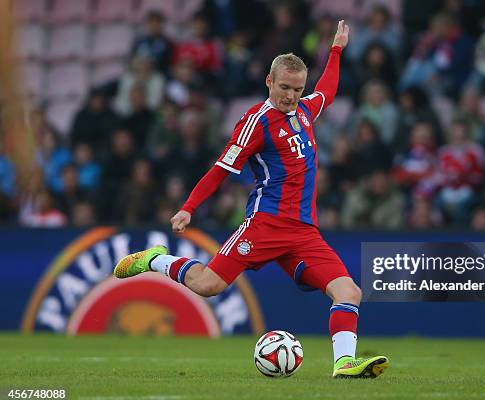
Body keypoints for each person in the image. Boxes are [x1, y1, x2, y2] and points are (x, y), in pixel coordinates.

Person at [113, 21, 388, 379]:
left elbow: (328, 91)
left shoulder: (304, 111)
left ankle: (344, 363)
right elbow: (221, 169)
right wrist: (188, 207)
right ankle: (156, 260)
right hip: (264, 224)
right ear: (269, 82)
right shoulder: (256, 122)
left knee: (349, 291)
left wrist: (336, 49)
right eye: (285, 87)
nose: (290, 96)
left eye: (297, 89)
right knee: (208, 286)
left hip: (304, 232)